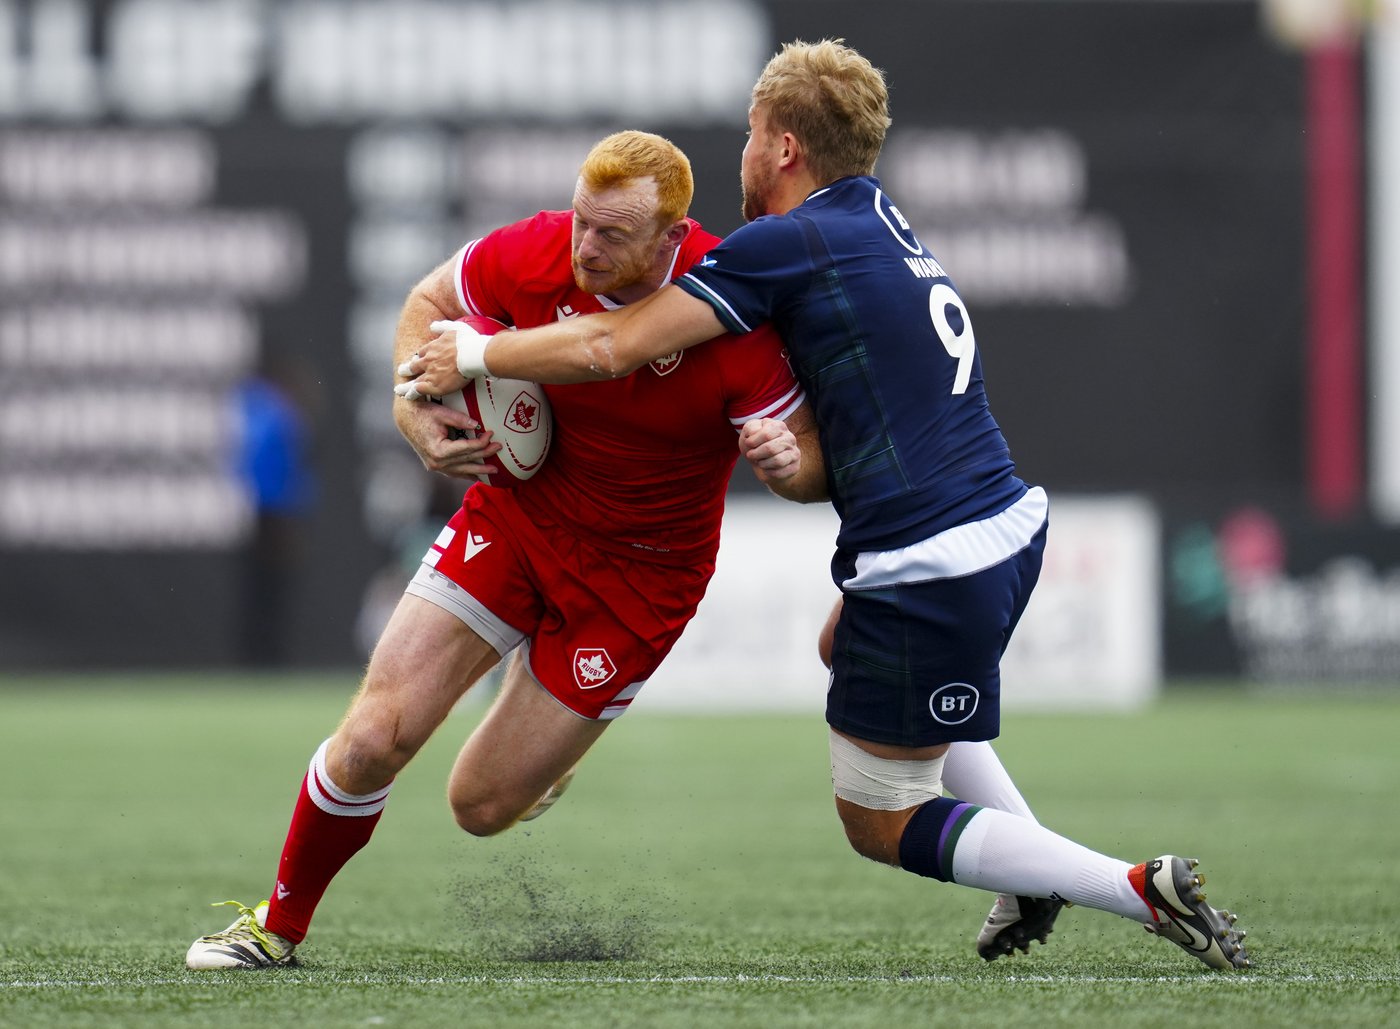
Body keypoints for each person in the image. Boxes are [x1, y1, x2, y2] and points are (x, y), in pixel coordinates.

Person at [396, 41, 1251, 970]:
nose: (745, 155)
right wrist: (791, 454)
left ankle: (1130, 887)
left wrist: (474, 356)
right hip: (1002, 524)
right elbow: (828, 432)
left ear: (788, 147)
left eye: (755, 134)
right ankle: (1028, 868)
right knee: (837, 647)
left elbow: (617, 347)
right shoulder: (877, 217)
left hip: (930, 556)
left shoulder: (786, 242)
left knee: (881, 817)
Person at [185, 130, 822, 969]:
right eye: (581, 222)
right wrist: (413, 412)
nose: (583, 247)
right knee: (375, 734)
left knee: (479, 805)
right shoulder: (536, 250)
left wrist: (789, 464)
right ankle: (277, 924)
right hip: (520, 518)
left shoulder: (730, 308)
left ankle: (538, 709)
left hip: (642, 577)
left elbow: (812, 465)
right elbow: (425, 302)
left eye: (611, 235)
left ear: (671, 237)